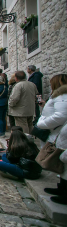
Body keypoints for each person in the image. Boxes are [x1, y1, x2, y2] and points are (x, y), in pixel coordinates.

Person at [36, 74, 67, 205]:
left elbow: (60, 116)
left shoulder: (62, 97)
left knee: (63, 161)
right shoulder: (59, 96)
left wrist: (42, 122)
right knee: (62, 164)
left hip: (59, 133)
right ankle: (61, 189)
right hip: (57, 133)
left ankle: (64, 194)